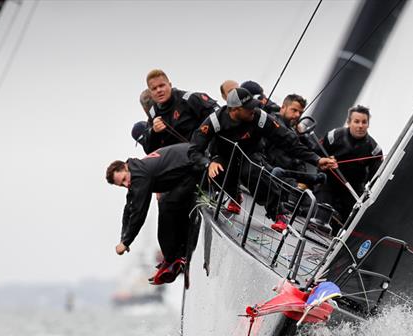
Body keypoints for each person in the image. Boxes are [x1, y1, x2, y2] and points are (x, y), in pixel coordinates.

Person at [188, 87, 337, 216]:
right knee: (216, 170)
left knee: (253, 170)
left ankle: (277, 212)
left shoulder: (259, 117)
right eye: (248, 107)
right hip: (223, 157)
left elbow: (288, 141)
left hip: (251, 155)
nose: (253, 109)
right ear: (235, 109)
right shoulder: (214, 121)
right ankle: (234, 196)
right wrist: (207, 164)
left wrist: (316, 159)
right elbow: (194, 150)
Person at [105, 143, 200, 284]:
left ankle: (173, 258)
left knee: (167, 206)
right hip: (186, 171)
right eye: (122, 185)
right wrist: (123, 238)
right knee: (165, 203)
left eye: (124, 179)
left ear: (125, 167)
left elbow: (139, 212)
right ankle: (173, 256)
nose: (126, 185)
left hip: (194, 166)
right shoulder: (134, 171)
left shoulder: (139, 175)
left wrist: (126, 242)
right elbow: (128, 209)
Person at [264, 94, 327, 231]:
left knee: (312, 204)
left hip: (288, 177)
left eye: (300, 112)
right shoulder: (273, 122)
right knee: (303, 199)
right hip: (272, 173)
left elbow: (309, 149)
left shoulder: (295, 131)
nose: (297, 115)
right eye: (294, 110)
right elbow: (287, 142)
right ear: (283, 107)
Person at [317, 105, 383, 228]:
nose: (360, 126)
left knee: (350, 223)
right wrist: (322, 164)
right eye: (356, 121)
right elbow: (315, 155)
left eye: (364, 122)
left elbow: (376, 178)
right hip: (328, 182)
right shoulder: (333, 136)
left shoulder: (375, 150)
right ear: (348, 122)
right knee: (319, 213)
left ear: (368, 124)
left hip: (352, 190)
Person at [141, 69, 218, 154]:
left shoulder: (189, 99)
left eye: (162, 85)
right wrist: (154, 132)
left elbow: (218, 115)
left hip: (205, 153)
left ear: (170, 85)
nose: (159, 90)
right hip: (178, 161)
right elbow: (149, 150)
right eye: (154, 88)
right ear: (151, 93)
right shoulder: (153, 115)